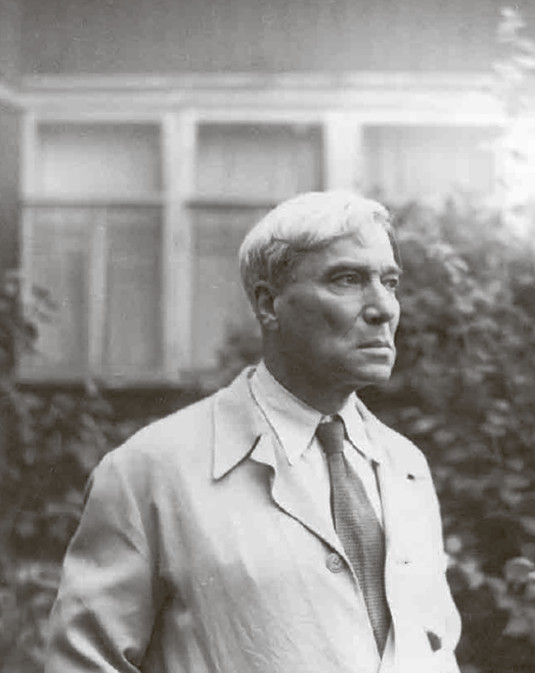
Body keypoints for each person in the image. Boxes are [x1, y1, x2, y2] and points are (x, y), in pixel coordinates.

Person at [45, 190, 461, 673]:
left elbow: (432, 647)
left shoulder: (404, 465)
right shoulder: (150, 471)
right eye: (347, 279)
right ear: (268, 305)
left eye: (389, 282)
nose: (383, 308)